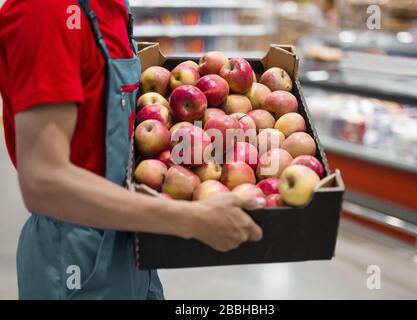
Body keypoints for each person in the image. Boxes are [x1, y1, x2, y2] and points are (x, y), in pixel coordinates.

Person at [0, 0, 263, 299]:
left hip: (130, 236)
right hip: (76, 259)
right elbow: (45, 183)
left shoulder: (111, 6)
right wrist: (190, 218)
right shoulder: (46, 10)